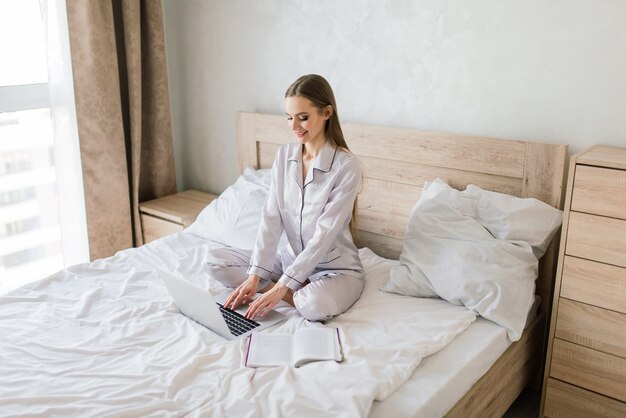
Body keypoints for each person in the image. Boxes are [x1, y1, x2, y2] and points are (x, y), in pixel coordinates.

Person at [204, 74, 364, 322]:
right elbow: (271, 217)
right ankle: (283, 291)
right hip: (289, 260)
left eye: (303, 117)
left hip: (334, 269)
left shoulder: (346, 166)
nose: (293, 127)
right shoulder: (285, 155)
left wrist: (283, 286)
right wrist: (256, 276)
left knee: (313, 305)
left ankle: (288, 292)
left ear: (327, 113)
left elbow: (324, 234)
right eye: (289, 117)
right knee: (215, 261)